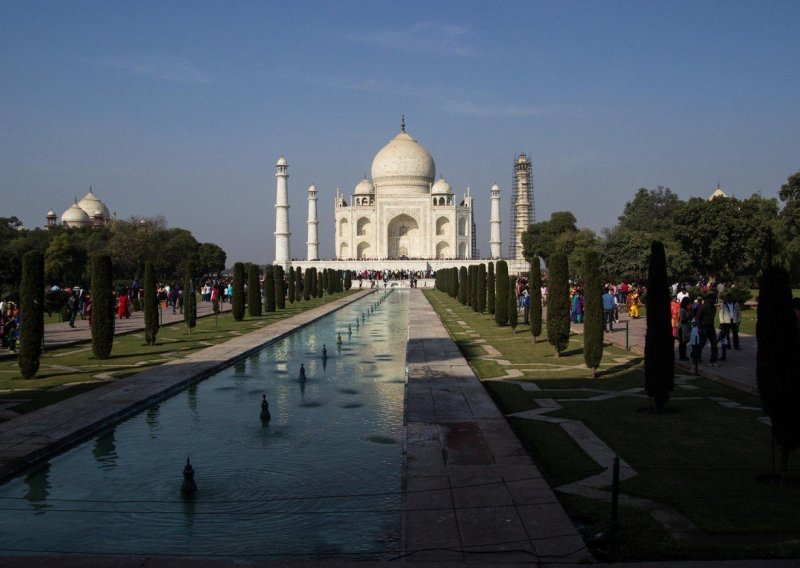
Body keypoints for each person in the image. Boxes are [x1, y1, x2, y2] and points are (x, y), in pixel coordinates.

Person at [696, 293, 719, 367]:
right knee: (702, 343)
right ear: (709, 299)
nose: (714, 300)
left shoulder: (714, 308)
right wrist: (699, 327)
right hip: (703, 326)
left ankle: (713, 360)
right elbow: (698, 317)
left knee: (714, 343)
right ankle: (696, 356)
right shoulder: (704, 307)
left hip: (711, 326)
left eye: (715, 298)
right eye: (713, 298)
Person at [677, 296, 693, 361]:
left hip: (685, 327)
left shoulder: (686, 309)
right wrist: (688, 318)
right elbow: (682, 319)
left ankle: (684, 355)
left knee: (684, 342)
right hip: (682, 327)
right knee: (682, 343)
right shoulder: (682, 310)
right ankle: (682, 356)